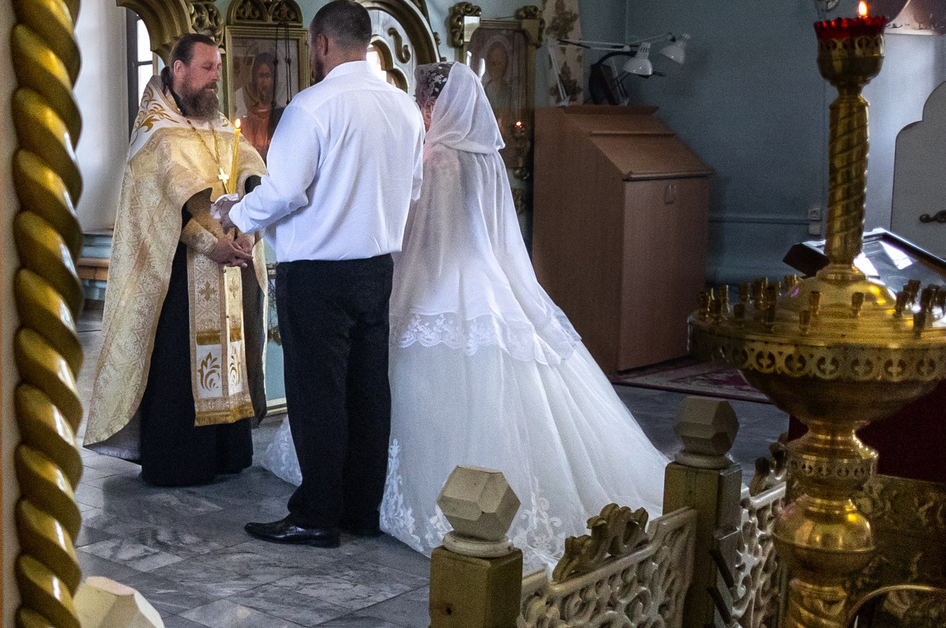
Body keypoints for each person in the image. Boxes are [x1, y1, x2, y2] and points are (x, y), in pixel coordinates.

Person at [264, 64, 669, 564]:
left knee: (370, 383)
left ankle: (357, 493)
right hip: (493, 280)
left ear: (436, 105)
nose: (420, 109)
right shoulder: (487, 156)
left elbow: (417, 230)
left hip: (437, 278)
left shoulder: (439, 159)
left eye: (423, 101)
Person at [218, 0, 422, 545]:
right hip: (378, 268)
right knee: (367, 390)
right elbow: (415, 191)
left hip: (317, 273)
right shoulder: (403, 108)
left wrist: (233, 213)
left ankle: (316, 515)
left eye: (312, 46)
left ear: (323, 43)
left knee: (318, 394)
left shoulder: (312, 107)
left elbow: (284, 192)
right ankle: (360, 509)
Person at [79, 33, 269, 485]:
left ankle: (226, 453)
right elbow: (161, 210)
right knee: (180, 367)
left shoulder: (220, 123)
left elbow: (248, 168)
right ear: (178, 68)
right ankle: (182, 461)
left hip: (230, 267)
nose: (214, 78)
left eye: (217, 68)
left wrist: (247, 228)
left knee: (231, 355)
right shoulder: (155, 133)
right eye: (206, 68)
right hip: (178, 274)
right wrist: (211, 244)